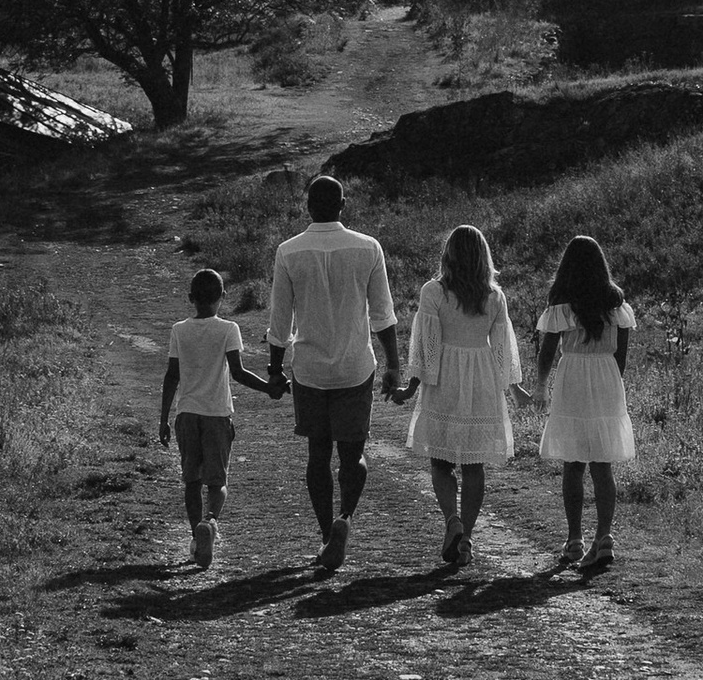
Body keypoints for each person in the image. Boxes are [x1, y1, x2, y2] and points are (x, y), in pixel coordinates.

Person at [264, 171, 402, 571]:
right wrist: (393, 365)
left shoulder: (289, 251)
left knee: (317, 456)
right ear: (343, 206)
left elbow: (279, 322)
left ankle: (327, 535)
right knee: (353, 456)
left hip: (309, 370)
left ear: (308, 206)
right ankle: (345, 518)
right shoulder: (368, 248)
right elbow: (383, 315)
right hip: (355, 368)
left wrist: (275, 371)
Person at [404, 223, 522, 569]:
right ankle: (467, 536)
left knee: (440, 461)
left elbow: (426, 345)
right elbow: (502, 348)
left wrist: (412, 385)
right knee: (474, 464)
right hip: (481, 378)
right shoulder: (494, 296)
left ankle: (452, 521)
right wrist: (511, 388)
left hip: (444, 378)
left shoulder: (434, 292)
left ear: (449, 254)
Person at [158, 265, 274, 568]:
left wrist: (163, 419)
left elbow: (172, 376)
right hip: (217, 415)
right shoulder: (228, 329)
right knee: (217, 481)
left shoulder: (178, 330)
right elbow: (238, 372)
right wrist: (269, 388)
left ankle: (196, 539)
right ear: (223, 296)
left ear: (190, 298)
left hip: (186, 414)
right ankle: (210, 521)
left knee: (191, 482)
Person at [534, 230, 636, 573]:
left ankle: (575, 538)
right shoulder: (616, 303)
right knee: (602, 462)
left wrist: (541, 384)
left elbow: (548, 350)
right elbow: (621, 357)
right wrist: (610, 381)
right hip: (606, 376)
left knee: (573, 462)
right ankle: (603, 537)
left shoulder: (562, 303)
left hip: (573, 375)